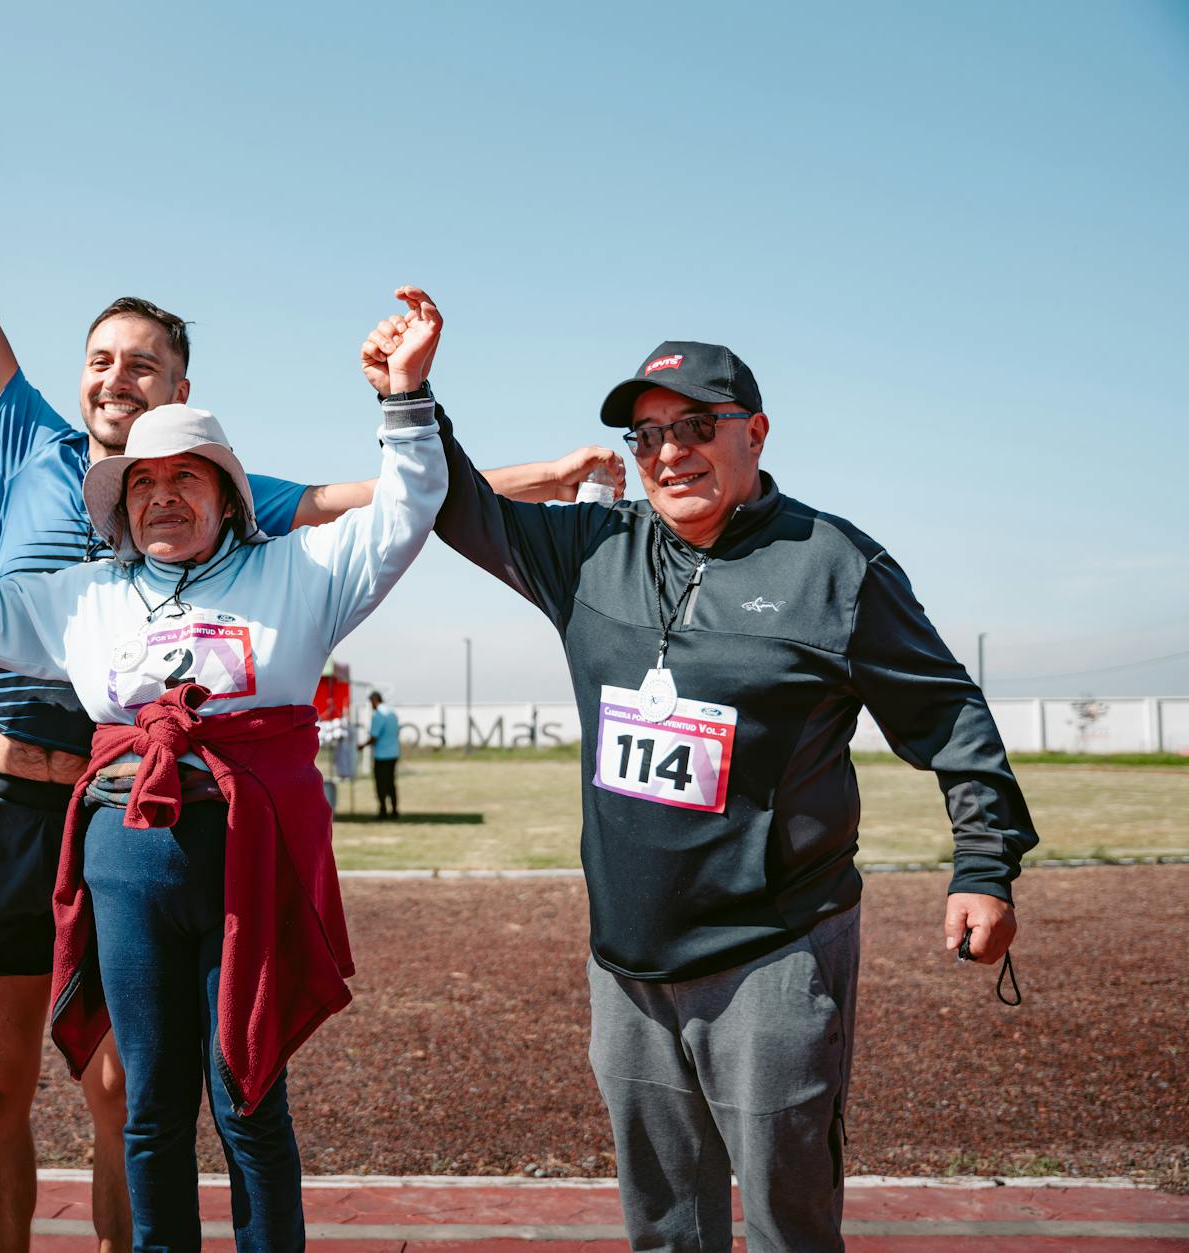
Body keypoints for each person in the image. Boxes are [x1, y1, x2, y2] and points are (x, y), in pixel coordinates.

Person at [0, 81, 590, 1252]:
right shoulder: (30, 455)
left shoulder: (270, 539)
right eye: (101, 360)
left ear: (203, 435)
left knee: (223, 1093)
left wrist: (487, 445)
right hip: (60, 811)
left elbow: (393, 505)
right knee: (37, 1086)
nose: (118, 383)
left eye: (145, 369)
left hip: (227, 820)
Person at [427, 339, 1038, 1251]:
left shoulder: (834, 566)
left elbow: (949, 714)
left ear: (753, 431)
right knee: (665, 1225)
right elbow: (453, 502)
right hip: (626, 962)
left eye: (694, 426)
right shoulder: (593, 552)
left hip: (774, 953)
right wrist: (410, 392)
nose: (668, 452)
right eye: (645, 435)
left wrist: (984, 866)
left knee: (789, 1222)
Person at [0, 286, 448, 1248]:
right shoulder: (85, 596)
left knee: (249, 1098)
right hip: (131, 852)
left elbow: (407, 510)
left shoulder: (299, 574)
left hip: (251, 851)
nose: (161, 496)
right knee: (151, 1103)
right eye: (140, 484)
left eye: (185, 479)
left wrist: (404, 400)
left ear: (229, 494)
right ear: (120, 502)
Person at [359, 690, 402, 819]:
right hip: (394, 753)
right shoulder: (392, 713)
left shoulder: (379, 715)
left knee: (381, 784)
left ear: (374, 701)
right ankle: (394, 810)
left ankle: (383, 810)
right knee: (391, 783)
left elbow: (374, 737)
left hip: (382, 755)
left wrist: (361, 746)